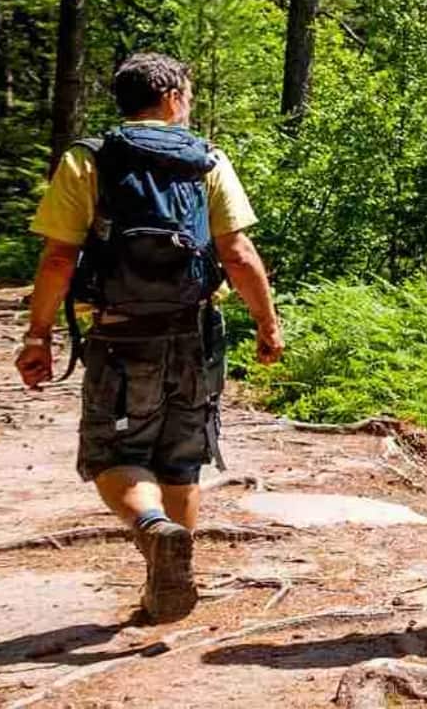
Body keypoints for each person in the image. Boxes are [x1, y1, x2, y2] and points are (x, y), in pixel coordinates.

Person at [15, 52, 283, 622]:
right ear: (170, 98)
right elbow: (237, 252)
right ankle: (169, 582)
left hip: (118, 334)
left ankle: (154, 530)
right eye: (185, 95)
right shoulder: (207, 160)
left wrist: (38, 336)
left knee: (114, 451)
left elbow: (59, 256)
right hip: (193, 332)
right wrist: (267, 323)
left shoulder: (87, 161)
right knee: (182, 457)